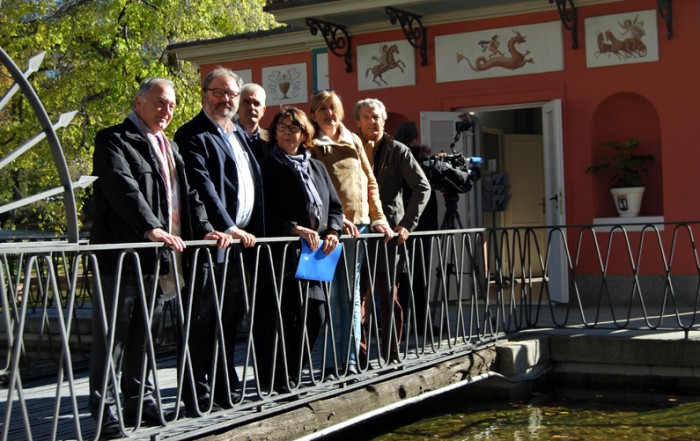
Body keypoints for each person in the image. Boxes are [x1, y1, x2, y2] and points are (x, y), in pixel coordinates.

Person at [89, 77, 231, 438]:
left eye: (171, 105)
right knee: (113, 334)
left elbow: (189, 196)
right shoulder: (113, 140)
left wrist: (206, 229)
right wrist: (150, 227)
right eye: (160, 102)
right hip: (122, 255)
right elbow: (123, 187)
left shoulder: (168, 146)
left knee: (145, 333)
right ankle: (104, 410)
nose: (167, 110)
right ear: (139, 102)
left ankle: (140, 399)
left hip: (159, 258)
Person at [174, 66, 264, 413]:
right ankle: (196, 393)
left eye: (231, 94)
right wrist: (228, 226)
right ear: (204, 94)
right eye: (219, 92)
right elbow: (202, 186)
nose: (226, 99)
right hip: (211, 243)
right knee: (201, 320)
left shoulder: (237, 134)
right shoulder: (193, 134)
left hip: (240, 244)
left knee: (230, 318)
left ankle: (225, 385)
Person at [308, 90, 392, 377]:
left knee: (353, 296)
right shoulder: (311, 144)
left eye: (333, 108)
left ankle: (352, 360)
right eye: (322, 109)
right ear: (314, 114)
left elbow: (370, 181)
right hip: (329, 230)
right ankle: (331, 363)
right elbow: (313, 188)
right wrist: (334, 219)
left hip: (361, 227)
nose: (329, 114)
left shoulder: (353, 139)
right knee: (331, 297)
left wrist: (379, 218)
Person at [259, 107, 343, 391]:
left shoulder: (316, 166)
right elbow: (263, 211)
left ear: (304, 133)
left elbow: (335, 206)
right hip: (287, 252)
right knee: (287, 316)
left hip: (317, 253)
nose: (286, 133)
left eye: (293, 128)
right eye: (281, 128)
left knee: (316, 315)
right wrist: (294, 227)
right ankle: (282, 379)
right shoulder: (268, 166)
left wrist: (333, 230)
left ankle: (296, 370)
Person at [354, 99, 430, 363]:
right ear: (358, 121)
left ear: (384, 120)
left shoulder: (398, 151)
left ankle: (391, 353)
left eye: (376, 117)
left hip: (388, 234)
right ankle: (359, 355)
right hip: (357, 231)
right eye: (365, 117)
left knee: (389, 296)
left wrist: (407, 224)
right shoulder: (349, 147)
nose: (371, 121)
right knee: (358, 299)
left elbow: (423, 187)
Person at [394, 121, 439, 337]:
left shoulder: (392, 156)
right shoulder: (420, 158)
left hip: (399, 225)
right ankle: (423, 324)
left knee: (399, 276)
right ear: (414, 137)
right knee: (420, 277)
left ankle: (399, 326)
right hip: (421, 226)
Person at [236, 83, 271, 162]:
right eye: (246, 102)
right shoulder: (226, 135)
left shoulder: (272, 139)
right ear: (237, 107)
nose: (251, 107)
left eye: (256, 103)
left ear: (263, 110)